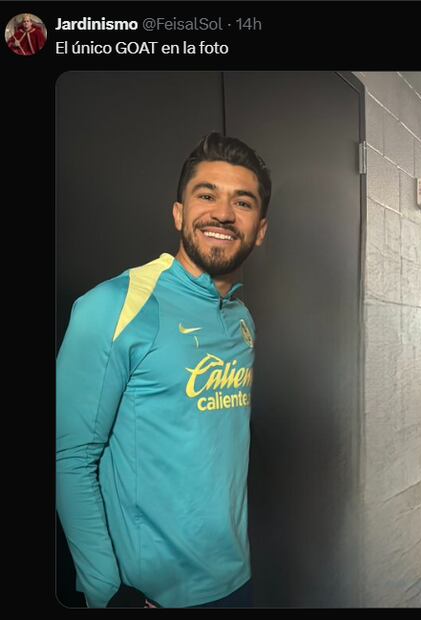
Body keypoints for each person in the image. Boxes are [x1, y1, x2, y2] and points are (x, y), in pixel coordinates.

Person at [56, 132, 271, 608]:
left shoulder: (242, 319)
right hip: (153, 597)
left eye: (242, 202)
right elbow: (67, 457)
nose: (223, 213)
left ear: (260, 229)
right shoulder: (114, 306)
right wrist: (108, 592)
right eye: (206, 195)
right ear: (178, 213)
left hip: (237, 581)